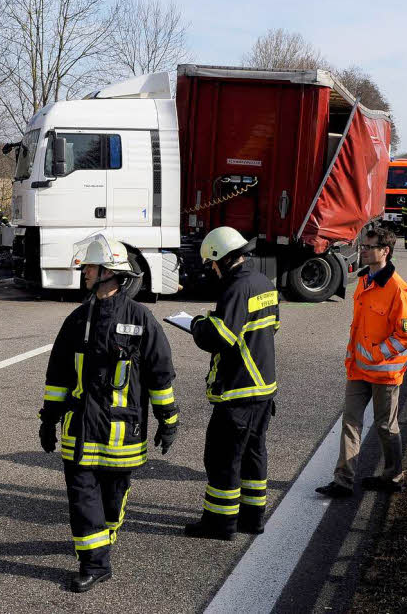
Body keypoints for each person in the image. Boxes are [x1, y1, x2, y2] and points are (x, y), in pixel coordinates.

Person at [39, 235, 178, 593]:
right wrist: (49, 419)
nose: (83, 272)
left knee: (113, 496)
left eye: (89, 266)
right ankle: (95, 563)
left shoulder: (140, 318)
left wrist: (168, 418)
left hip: (122, 433)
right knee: (82, 495)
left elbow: (159, 373)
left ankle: (104, 534)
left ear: (108, 273)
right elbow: (58, 375)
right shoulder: (77, 319)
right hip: (81, 429)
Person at [184, 227, 279, 540]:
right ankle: (253, 518)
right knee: (254, 455)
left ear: (220, 260)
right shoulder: (264, 281)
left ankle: (219, 523)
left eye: (211, 264)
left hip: (239, 391)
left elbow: (221, 337)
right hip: (264, 389)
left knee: (222, 458)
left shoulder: (236, 288)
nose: (211, 270)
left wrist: (199, 325)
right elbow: (272, 326)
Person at [316, 227, 407, 498]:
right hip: (358, 369)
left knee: (386, 427)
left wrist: (377, 354)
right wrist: (353, 355)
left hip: (385, 374)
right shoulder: (364, 281)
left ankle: (393, 477)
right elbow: (359, 327)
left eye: (368, 246)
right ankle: (343, 482)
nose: (362, 250)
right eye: (362, 245)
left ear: (384, 251)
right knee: (351, 423)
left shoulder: (398, 289)